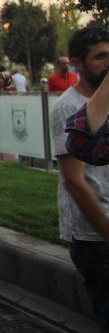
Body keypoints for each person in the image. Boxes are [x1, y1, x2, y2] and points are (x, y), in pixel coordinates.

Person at [47, 26, 109, 322]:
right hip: (95, 240)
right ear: (77, 63)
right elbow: (75, 182)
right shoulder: (69, 108)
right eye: (101, 57)